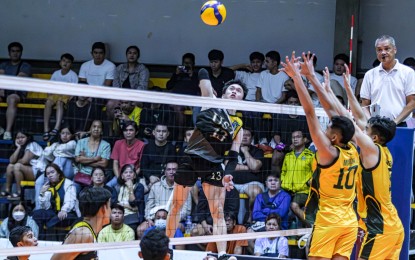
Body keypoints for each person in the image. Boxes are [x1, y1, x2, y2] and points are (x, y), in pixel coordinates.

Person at [281, 51, 359, 259]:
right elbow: (334, 112)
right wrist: (311, 77)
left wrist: (297, 78)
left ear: (333, 138)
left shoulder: (327, 153)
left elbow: (310, 112)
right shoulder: (353, 147)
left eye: (327, 131)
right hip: (350, 221)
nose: (324, 132)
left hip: (329, 221)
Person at [166, 69, 245, 260]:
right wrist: (209, 88)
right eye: (231, 89)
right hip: (191, 158)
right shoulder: (211, 102)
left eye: (239, 90)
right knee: (177, 205)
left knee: (217, 210)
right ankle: (164, 247)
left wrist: (228, 174)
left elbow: (233, 156)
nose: (234, 91)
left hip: (214, 165)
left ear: (242, 99)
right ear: (223, 94)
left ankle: (223, 254)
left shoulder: (239, 126)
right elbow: (201, 73)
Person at [339, 65, 404, 259]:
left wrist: (325, 91)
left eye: (366, 130)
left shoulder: (371, 151)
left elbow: (349, 121)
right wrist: (349, 90)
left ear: (374, 138)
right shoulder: (383, 151)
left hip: (380, 229)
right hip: (392, 226)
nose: (363, 129)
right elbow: (359, 116)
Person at [360, 35, 415, 126]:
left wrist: (394, 123)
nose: (383, 52)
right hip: (375, 126)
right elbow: (364, 105)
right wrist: (371, 122)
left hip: (400, 124)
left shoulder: (408, 73)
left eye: (386, 48)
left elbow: (412, 102)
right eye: (379, 50)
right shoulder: (370, 75)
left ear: (395, 50)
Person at [51, 187, 112, 260]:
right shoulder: (83, 234)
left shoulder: (90, 231)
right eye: (110, 206)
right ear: (103, 208)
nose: (111, 211)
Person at [138, 161, 191, 237]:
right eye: (169, 169)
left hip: (175, 220)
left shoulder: (184, 187)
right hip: (157, 220)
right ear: (165, 172)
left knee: (179, 227)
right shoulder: (155, 186)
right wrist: (149, 219)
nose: (171, 172)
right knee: (141, 229)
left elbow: (186, 210)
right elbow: (148, 208)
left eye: (174, 169)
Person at [32, 163, 80, 240]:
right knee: (37, 214)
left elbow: (70, 201)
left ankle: (48, 225)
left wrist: (64, 210)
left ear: (58, 173)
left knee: (64, 217)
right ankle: (40, 238)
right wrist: (42, 194)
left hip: (68, 214)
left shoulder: (68, 183)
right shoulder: (48, 186)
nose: (50, 175)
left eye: (52, 172)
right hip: (54, 213)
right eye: (48, 174)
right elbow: (46, 207)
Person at [35, 126, 77, 209]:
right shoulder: (56, 144)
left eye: (68, 133)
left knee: (61, 158)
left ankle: (52, 175)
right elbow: (46, 154)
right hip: (57, 166)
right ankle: (38, 208)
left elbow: (61, 149)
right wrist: (55, 154)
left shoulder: (73, 143)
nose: (65, 135)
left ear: (72, 135)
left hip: (68, 170)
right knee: (39, 182)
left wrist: (54, 150)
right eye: (63, 133)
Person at [280, 130, 314, 227]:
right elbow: (283, 171)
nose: (295, 139)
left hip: (303, 190)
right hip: (287, 189)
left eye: (298, 137)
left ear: (305, 139)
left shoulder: (310, 156)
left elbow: (315, 173)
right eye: (293, 137)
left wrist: (309, 182)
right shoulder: (288, 156)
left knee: (294, 205)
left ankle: (311, 226)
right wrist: (283, 181)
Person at [0, 42, 32, 140]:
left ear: (21, 53)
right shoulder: (4, 64)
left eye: (17, 51)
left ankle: (7, 131)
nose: (15, 53)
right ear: (9, 53)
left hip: (17, 92)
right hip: (4, 91)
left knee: (12, 99)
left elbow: (17, 80)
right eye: (13, 51)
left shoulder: (25, 65)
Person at [43, 53, 78, 141]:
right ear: (60, 62)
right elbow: (50, 87)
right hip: (55, 94)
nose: (65, 63)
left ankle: (56, 127)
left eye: (68, 62)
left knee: (59, 102)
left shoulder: (73, 75)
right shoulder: (56, 73)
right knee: (48, 102)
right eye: (63, 61)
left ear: (71, 64)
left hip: (66, 95)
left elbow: (75, 90)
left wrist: (70, 98)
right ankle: (46, 128)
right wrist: (50, 95)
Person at [232, 127, 264, 223]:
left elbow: (255, 166)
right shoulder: (232, 149)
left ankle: (250, 217)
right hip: (232, 183)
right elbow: (229, 166)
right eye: (242, 135)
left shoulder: (258, 151)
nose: (245, 137)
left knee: (256, 192)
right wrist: (248, 168)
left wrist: (245, 151)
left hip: (251, 183)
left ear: (252, 138)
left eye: (248, 135)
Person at [166, 52, 199, 141]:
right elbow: (168, 86)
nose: (187, 65)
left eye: (189, 63)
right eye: (185, 63)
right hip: (176, 99)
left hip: (190, 100)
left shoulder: (196, 75)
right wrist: (176, 74)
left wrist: (192, 76)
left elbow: (198, 89)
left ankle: (180, 135)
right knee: (175, 107)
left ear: (193, 64)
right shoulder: (178, 74)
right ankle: (174, 134)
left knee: (179, 108)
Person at [2, 130, 43, 199]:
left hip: (39, 173)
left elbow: (24, 161)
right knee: (10, 166)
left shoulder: (32, 144)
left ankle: (19, 192)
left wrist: (17, 161)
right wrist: (18, 147)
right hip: (30, 171)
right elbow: (11, 161)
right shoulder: (21, 147)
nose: (20, 139)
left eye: (22, 137)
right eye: (18, 138)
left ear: (28, 138)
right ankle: (7, 190)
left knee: (17, 166)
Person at [74, 120, 111, 188]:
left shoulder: (106, 145)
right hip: (82, 176)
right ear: (90, 129)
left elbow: (104, 164)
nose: (96, 129)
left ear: (102, 131)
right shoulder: (81, 142)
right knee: (74, 189)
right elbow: (77, 159)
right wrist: (95, 159)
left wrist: (84, 161)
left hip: (97, 177)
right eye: (94, 126)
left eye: (99, 127)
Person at [109, 121, 145, 188]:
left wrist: (132, 177)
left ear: (136, 132)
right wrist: (119, 178)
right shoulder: (118, 143)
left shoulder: (142, 145)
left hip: (135, 176)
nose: (128, 132)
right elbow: (115, 164)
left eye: (131, 130)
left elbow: (141, 167)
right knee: (108, 187)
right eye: (126, 130)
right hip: (120, 176)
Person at [140, 124, 176, 188]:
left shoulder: (171, 148)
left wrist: (158, 180)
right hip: (148, 179)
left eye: (164, 131)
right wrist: (150, 176)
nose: (161, 134)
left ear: (168, 133)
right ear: (153, 132)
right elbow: (143, 166)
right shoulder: (147, 147)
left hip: (164, 180)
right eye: (158, 131)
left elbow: (171, 168)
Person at [113, 164, 145, 231]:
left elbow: (133, 203)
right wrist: (130, 207)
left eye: (131, 172)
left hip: (132, 217)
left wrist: (130, 187)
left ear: (134, 176)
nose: (128, 174)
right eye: (125, 172)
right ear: (122, 176)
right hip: (119, 216)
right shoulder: (117, 187)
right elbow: (114, 204)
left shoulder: (139, 186)